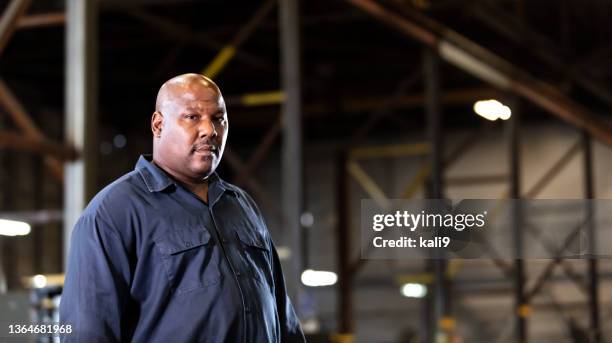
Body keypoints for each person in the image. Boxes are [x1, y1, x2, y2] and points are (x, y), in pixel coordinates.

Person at [60, 73, 305, 342]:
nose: (210, 130)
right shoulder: (113, 214)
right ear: (158, 125)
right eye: (193, 117)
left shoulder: (241, 207)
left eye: (218, 118)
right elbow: (88, 332)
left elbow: (282, 314)